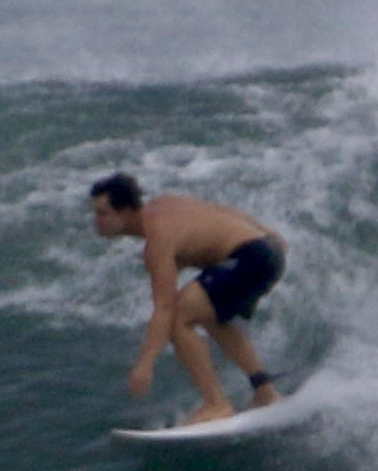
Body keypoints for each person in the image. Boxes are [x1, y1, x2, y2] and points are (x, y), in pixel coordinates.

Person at [91, 172, 283, 424]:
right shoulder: (165, 204)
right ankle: (265, 391)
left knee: (179, 317)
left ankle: (216, 403)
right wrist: (267, 232)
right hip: (268, 252)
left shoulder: (157, 239)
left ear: (125, 212)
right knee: (210, 315)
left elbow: (165, 307)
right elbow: (220, 211)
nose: (96, 221)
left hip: (249, 258)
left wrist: (145, 363)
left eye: (103, 214)